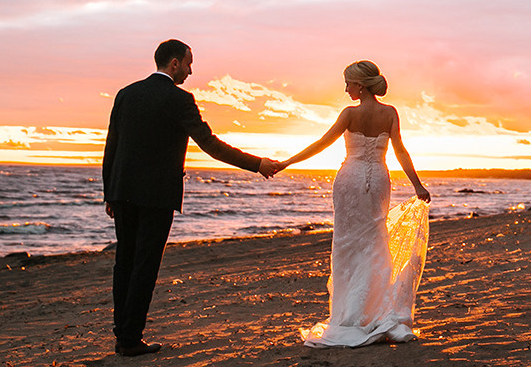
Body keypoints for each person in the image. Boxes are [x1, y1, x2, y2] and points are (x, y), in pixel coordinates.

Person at [102, 39, 278, 357]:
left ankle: (122, 333)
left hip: (123, 190)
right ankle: (130, 338)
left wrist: (109, 192)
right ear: (173, 64)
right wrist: (257, 164)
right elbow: (209, 144)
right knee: (145, 264)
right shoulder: (180, 99)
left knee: (124, 262)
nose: (190, 70)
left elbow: (111, 145)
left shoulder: (125, 94)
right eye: (188, 63)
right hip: (157, 194)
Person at [275, 60, 431, 348]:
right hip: (379, 181)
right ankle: (373, 310)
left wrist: (287, 162)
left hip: (349, 181)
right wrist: (417, 184)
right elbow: (400, 151)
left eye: (348, 83)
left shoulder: (349, 114)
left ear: (360, 85)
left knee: (347, 244)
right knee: (375, 242)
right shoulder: (390, 113)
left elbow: (321, 144)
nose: (345, 89)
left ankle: (349, 317)